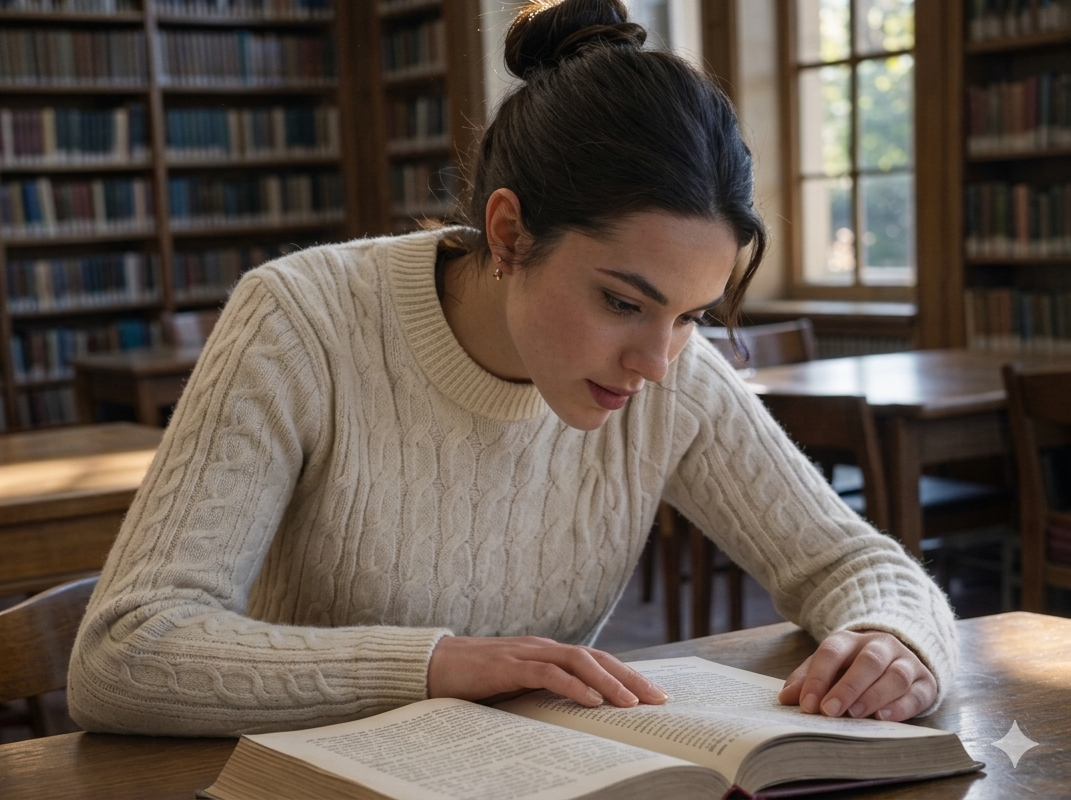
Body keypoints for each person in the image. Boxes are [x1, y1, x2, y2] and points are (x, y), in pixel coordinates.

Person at [68, 0, 957, 737]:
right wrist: (436, 664)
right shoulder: (303, 320)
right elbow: (124, 652)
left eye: (690, 316)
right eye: (621, 301)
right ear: (507, 233)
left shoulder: (669, 374)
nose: (655, 363)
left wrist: (894, 638)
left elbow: (851, 562)